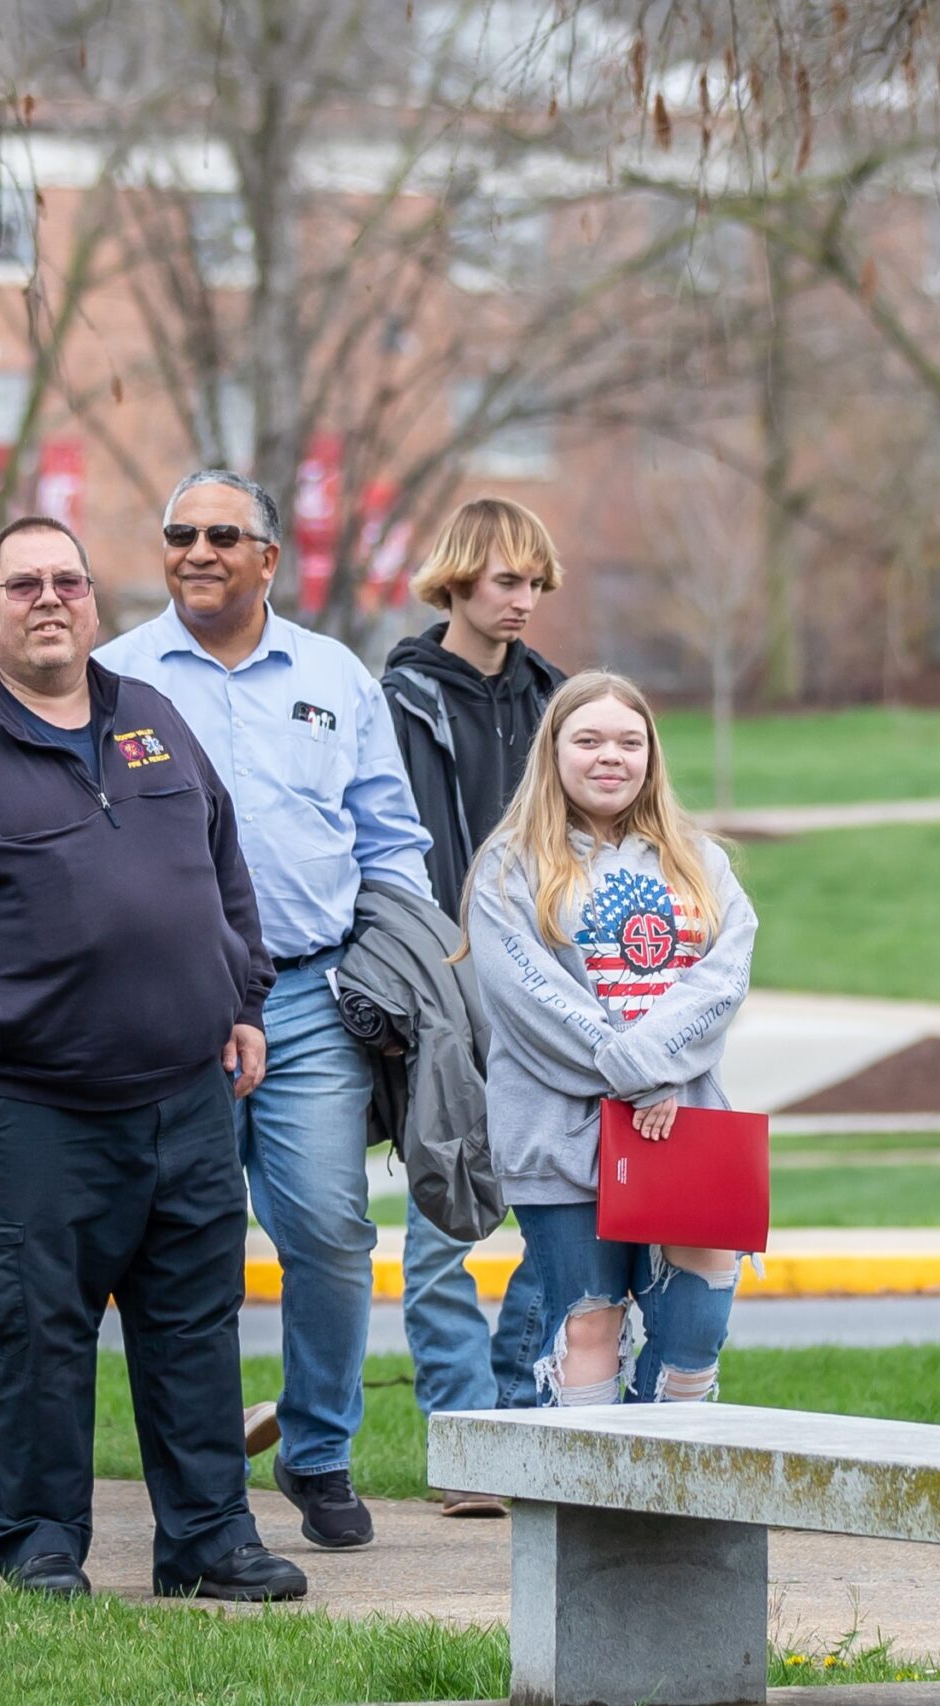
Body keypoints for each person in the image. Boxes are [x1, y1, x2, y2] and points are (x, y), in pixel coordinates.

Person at [0, 516, 304, 1603]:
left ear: (92, 601)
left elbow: (219, 863)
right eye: (23, 583)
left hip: (186, 1097)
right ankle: (41, 1540)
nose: (49, 599)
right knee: (37, 1337)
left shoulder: (154, 718)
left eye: (68, 581)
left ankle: (209, 1542)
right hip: (25, 1108)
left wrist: (241, 998)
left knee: (193, 1328)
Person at [95, 471, 440, 1547]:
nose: (197, 550)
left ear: (268, 557)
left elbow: (389, 835)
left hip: (305, 999)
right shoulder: (115, 677)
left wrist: (416, 960)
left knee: (332, 1231)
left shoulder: (335, 674)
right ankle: (198, 1473)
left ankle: (320, 1450)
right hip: (164, 1012)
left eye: (221, 534)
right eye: (179, 532)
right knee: (175, 1250)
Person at [463, 671, 757, 1407]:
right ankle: (591, 1517)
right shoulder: (510, 866)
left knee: (695, 1334)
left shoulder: (700, 860)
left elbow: (724, 976)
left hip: (682, 1126)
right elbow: (529, 998)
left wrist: (658, 1073)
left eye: (630, 742)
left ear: (652, 756)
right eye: (587, 739)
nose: (610, 757)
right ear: (553, 752)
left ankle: (667, 1507)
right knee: (586, 1327)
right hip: (560, 1130)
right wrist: (635, 1074)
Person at [383, 498, 570, 1422]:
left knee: (564, 1212)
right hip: (444, 982)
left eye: (536, 582)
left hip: (554, 985)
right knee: (442, 1220)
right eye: (508, 580)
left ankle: (515, 1397)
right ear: (457, 579)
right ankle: (461, 1425)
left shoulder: (555, 698)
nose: (526, 599)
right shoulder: (402, 697)